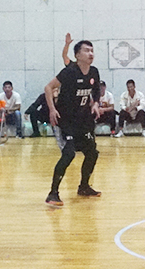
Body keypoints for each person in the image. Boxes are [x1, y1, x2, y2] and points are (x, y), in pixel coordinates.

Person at [44, 39, 103, 205]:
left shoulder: (94, 72)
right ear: (77, 55)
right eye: (86, 50)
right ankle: (53, 193)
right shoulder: (69, 72)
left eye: (92, 50)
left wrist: (95, 104)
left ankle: (84, 187)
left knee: (92, 153)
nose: (90, 53)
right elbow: (48, 87)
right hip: (65, 121)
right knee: (69, 154)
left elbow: (96, 91)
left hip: (83, 121)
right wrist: (52, 109)